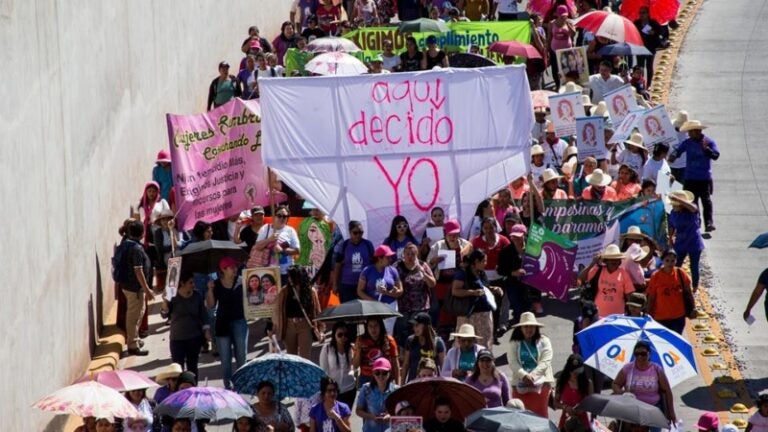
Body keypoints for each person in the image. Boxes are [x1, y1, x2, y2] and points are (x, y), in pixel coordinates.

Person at [668, 120, 720, 232]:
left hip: (704, 178)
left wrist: (706, 150)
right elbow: (678, 150)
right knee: (691, 201)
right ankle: (696, 222)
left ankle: (709, 222)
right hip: (690, 178)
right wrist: (673, 156)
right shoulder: (688, 142)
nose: (689, 134)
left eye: (691, 132)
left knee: (706, 201)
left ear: (698, 131)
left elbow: (715, 155)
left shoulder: (708, 142)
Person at [206, 257, 248, 390]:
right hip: (222, 324)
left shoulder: (242, 281)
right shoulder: (216, 284)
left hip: (240, 321)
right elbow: (211, 305)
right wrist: (210, 290)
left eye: (235, 267)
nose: (235, 269)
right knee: (225, 358)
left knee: (241, 355)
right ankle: (227, 386)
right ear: (223, 270)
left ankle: (241, 383)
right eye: (231, 267)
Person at [612, 341, 677, 426]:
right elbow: (615, 384)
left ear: (649, 354)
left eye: (643, 354)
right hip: (632, 410)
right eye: (636, 354)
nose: (639, 357)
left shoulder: (657, 369)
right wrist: (622, 392)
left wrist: (671, 413)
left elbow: (667, 391)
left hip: (653, 410)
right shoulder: (628, 368)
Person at [160, 272, 210, 377]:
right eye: (190, 283)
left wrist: (206, 331)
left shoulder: (197, 296)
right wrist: (164, 301)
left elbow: (203, 315)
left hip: (194, 338)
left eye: (193, 282)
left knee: (192, 368)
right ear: (182, 283)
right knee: (178, 370)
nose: (193, 285)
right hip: (177, 339)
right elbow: (164, 315)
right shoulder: (172, 295)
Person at [428, 219, 473, 335]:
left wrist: (466, 263)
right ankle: (444, 331)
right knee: (443, 308)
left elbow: (473, 262)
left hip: (459, 283)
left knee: (458, 306)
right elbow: (427, 265)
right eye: (450, 234)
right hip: (442, 283)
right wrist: (434, 261)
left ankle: (457, 329)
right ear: (445, 234)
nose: (453, 237)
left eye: (456, 234)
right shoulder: (437, 246)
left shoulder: (466, 244)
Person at [452, 250, 501, 349]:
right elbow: (455, 291)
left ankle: (484, 362)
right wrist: (472, 293)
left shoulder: (481, 273)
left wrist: (494, 289)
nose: (486, 264)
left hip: (484, 314)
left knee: (484, 343)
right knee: (466, 343)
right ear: (476, 262)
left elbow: (484, 287)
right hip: (469, 316)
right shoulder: (463, 274)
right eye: (484, 261)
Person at [508, 312, 555, 417]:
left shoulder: (544, 341)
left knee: (541, 417)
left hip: (541, 385)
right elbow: (512, 361)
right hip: (520, 385)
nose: (529, 329)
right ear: (521, 328)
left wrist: (532, 376)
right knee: (520, 418)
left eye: (531, 326)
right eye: (526, 326)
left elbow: (546, 361)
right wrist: (524, 375)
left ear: (536, 327)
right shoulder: (514, 342)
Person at [118, 220, 154, 356]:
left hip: (131, 287)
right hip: (134, 289)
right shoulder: (136, 248)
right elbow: (138, 270)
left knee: (139, 312)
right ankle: (132, 345)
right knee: (134, 315)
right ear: (142, 233)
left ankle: (135, 338)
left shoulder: (127, 244)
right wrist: (147, 289)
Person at [273, 266, 322, 359]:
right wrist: (274, 326)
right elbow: (278, 309)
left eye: (292, 276)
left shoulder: (310, 291)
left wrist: (321, 328)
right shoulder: (285, 291)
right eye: (289, 276)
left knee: (305, 357)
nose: (289, 279)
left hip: (305, 325)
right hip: (289, 326)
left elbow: (317, 310)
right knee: (292, 357)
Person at [394, 243, 436, 346]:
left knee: (418, 331)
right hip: (403, 306)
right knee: (403, 331)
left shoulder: (423, 265)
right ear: (403, 254)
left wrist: (423, 273)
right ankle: (405, 354)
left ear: (417, 255)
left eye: (413, 254)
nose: (410, 256)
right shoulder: (397, 266)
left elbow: (432, 284)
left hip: (420, 306)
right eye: (407, 254)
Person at [579, 245, 635, 317]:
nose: (614, 261)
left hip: (618, 315)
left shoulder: (624, 274)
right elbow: (581, 278)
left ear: (619, 261)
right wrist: (592, 263)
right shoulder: (598, 270)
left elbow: (630, 294)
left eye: (616, 259)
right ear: (606, 261)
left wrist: (632, 311)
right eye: (611, 259)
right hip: (598, 314)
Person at [358, 245, 403, 334]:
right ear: (380, 258)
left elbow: (400, 291)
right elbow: (359, 291)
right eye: (388, 257)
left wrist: (389, 292)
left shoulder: (393, 270)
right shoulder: (367, 271)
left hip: (390, 306)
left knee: (388, 333)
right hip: (372, 307)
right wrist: (374, 302)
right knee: (373, 332)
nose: (390, 259)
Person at [647, 249, 694, 334]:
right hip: (660, 317)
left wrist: (692, 308)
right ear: (662, 261)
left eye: (672, 261)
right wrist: (648, 313)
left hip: (678, 317)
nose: (670, 263)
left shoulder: (681, 273)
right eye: (667, 260)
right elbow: (651, 297)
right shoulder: (656, 276)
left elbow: (688, 292)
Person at [667, 190, 705, 291]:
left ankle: (695, 286)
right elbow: (671, 226)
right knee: (676, 263)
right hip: (680, 240)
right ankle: (674, 283)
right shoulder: (673, 213)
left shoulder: (691, 212)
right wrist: (670, 238)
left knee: (694, 265)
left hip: (693, 240)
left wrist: (680, 200)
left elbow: (694, 208)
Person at [253, 205, 300, 283]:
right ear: (274, 216)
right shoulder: (265, 228)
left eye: (285, 216)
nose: (282, 218)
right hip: (268, 271)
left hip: (286, 272)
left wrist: (282, 250)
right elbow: (257, 247)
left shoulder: (290, 231)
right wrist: (269, 239)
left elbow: (297, 250)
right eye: (279, 215)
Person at [354, 317, 401, 386]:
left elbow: (396, 364)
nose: (373, 329)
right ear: (366, 327)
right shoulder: (361, 340)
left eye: (376, 325)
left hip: (384, 377)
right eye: (370, 326)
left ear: (380, 326)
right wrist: (358, 350)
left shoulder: (389, 340)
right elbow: (355, 365)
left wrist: (398, 384)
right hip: (366, 378)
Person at [356, 358, 399, 432]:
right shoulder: (366, 389)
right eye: (377, 373)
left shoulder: (396, 390)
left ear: (389, 373)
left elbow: (400, 412)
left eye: (384, 373)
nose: (381, 376)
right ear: (373, 373)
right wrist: (372, 417)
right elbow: (358, 410)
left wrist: (390, 416)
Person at [320, 322, 357, 407]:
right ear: (334, 335)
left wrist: (357, 350)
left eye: (345, 335)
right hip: (332, 391)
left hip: (349, 388)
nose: (343, 337)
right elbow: (323, 371)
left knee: (345, 418)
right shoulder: (327, 348)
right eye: (340, 335)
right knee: (333, 417)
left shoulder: (352, 348)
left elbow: (355, 367)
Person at [402, 312, 446, 382]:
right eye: (413, 325)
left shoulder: (438, 342)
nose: (414, 328)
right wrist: (402, 385)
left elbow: (443, 366)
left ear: (425, 326)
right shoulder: (410, 341)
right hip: (413, 382)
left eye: (417, 325)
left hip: (432, 383)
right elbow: (406, 365)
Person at [554, 354, 593, 431]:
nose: (575, 374)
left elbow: (592, 402)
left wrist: (582, 408)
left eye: (577, 371)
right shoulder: (561, 381)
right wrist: (565, 407)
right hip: (565, 423)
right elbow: (556, 403)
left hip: (583, 424)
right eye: (573, 371)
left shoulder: (588, 383)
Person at [633, 6, 663, 87]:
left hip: (651, 47)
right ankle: (641, 83)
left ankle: (649, 85)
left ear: (648, 13)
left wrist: (654, 33)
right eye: (640, 13)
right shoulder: (636, 23)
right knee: (640, 67)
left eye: (643, 13)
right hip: (640, 47)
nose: (641, 15)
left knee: (649, 66)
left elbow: (660, 32)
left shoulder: (653, 22)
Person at [548, 5, 576, 89]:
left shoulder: (570, 22)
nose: (563, 17)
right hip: (554, 50)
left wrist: (569, 26)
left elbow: (574, 34)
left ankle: (566, 85)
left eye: (565, 16)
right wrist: (547, 50)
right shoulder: (551, 23)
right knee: (555, 69)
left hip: (566, 51)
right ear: (557, 15)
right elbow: (549, 37)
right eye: (561, 16)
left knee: (567, 68)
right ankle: (557, 85)